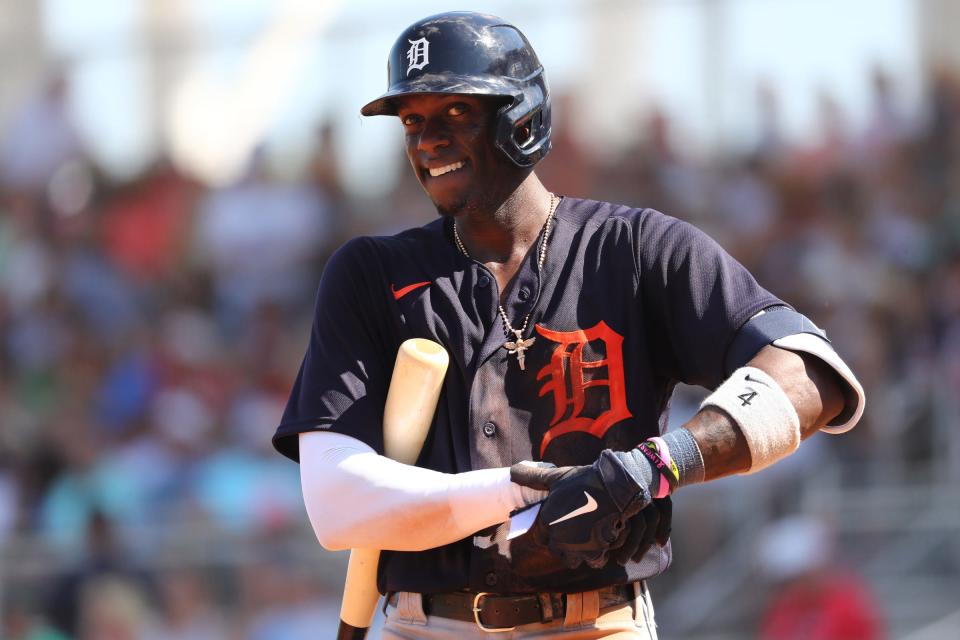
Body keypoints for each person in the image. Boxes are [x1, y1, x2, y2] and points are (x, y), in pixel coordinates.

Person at [272, 11, 865, 639]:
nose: (427, 141)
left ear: (521, 119)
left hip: (598, 623)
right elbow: (336, 506)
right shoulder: (370, 273)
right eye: (413, 121)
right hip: (426, 625)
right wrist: (518, 489)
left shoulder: (635, 248)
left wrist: (657, 467)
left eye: (455, 113)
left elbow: (812, 374)